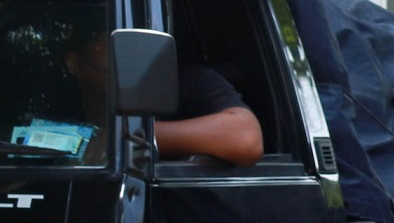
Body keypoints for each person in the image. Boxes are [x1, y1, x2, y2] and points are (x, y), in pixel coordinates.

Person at [64, 34, 264, 165]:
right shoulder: (51, 100)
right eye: (111, 73)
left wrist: (122, 138)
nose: (126, 53)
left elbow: (245, 137)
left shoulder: (185, 82)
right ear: (74, 64)